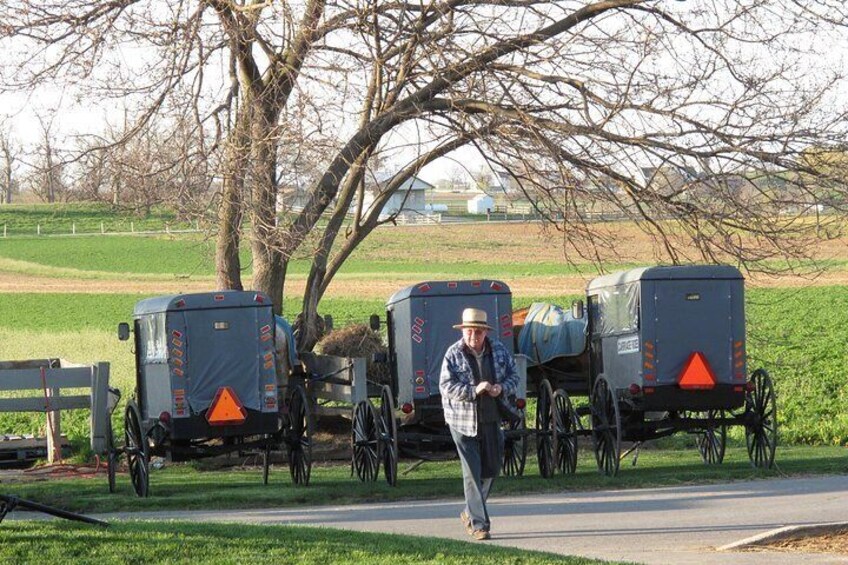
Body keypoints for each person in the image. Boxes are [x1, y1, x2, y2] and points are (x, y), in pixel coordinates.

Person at [439, 307, 519, 541]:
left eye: (478, 332)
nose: (474, 336)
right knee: (472, 473)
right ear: (463, 331)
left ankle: (469, 511)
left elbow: (514, 376)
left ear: (485, 332)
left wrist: (500, 388)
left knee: (492, 469)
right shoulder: (453, 354)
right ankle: (479, 524)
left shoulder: (500, 351)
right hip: (462, 422)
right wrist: (475, 390)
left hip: (492, 418)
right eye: (470, 331)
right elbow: (446, 386)